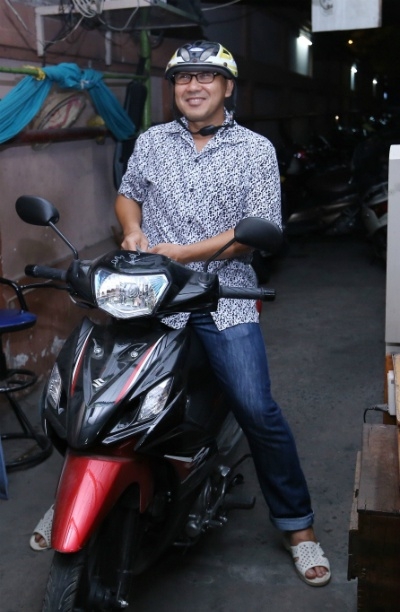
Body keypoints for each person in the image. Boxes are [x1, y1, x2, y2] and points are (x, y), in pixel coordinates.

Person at [31, 40, 331, 588]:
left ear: (228, 87)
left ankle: (298, 526)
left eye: (206, 77)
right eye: (183, 78)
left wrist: (183, 255)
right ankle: (78, 495)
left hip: (223, 295)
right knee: (100, 395)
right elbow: (129, 194)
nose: (193, 86)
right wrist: (131, 230)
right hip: (150, 297)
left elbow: (259, 229)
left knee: (256, 408)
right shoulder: (152, 141)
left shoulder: (255, 149)